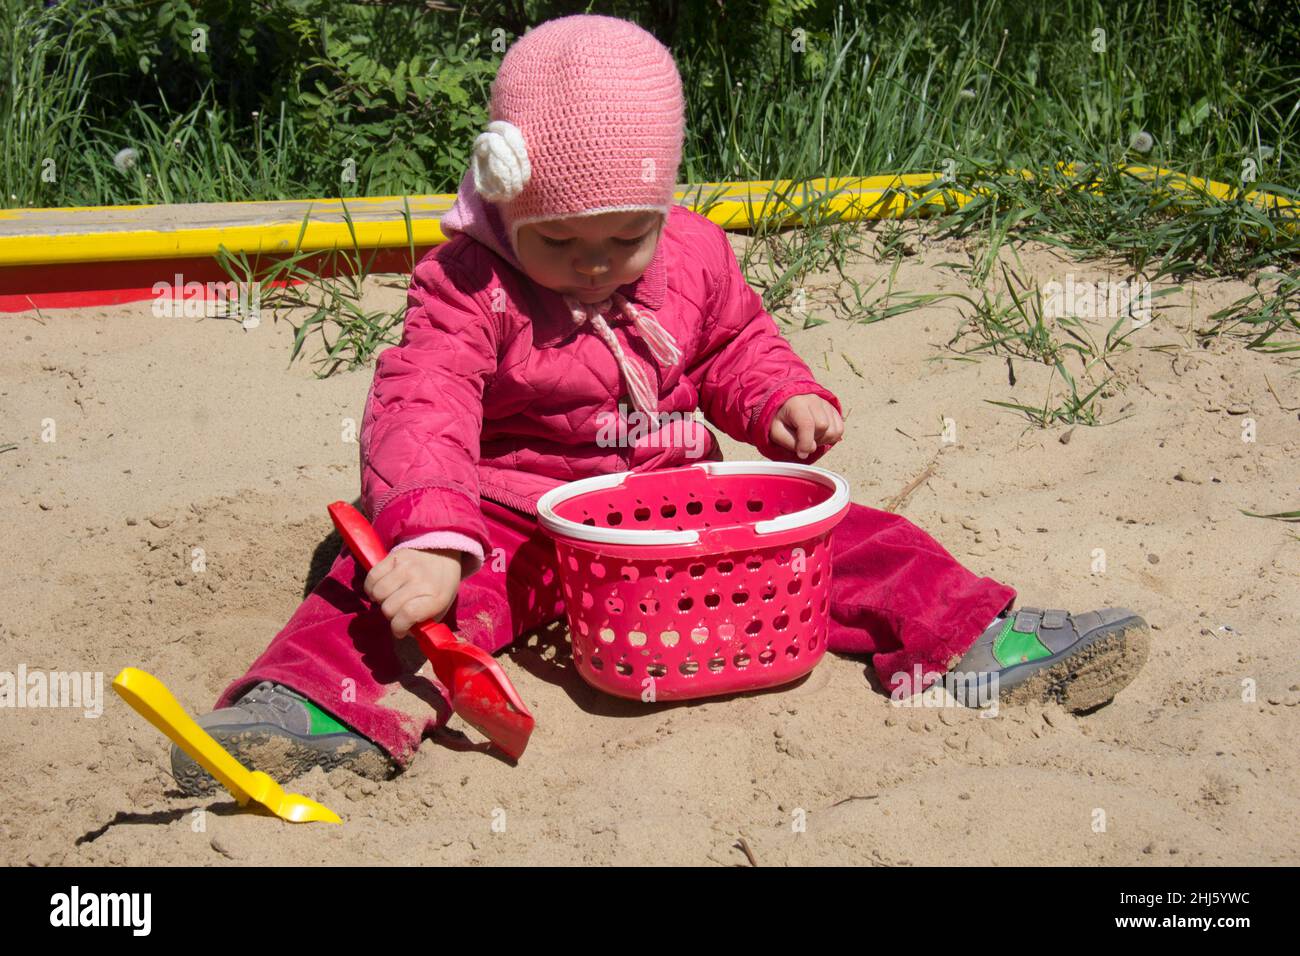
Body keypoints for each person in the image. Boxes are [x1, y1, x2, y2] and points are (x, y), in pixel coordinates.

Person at [172, 15, 1148, 796]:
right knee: (379, 584)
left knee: (851, 534)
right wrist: (432, 536)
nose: (593, 265)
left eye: (624, 238)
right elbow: (420, 401)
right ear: (505, 202)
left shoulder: (692, 250)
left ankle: (972, 641)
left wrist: (780, 397)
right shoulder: (469, 282)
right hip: (520, 511)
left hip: (669, 501)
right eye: (558, 242)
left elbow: (730, 342)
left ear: (660, 206)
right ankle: (311, 707)